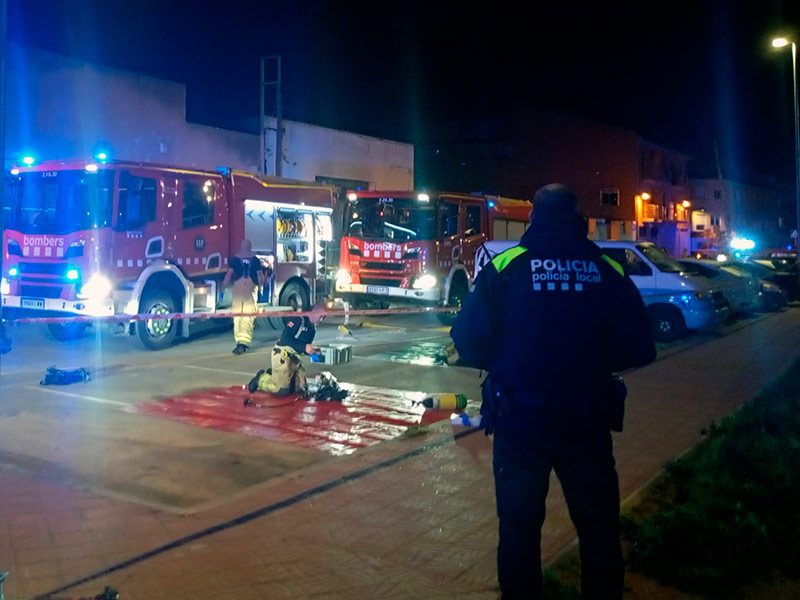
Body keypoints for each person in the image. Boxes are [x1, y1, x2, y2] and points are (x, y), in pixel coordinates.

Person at [451, 183, 657, 600]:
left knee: (519, 532)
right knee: (599, 531)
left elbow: (467, 341)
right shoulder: (606, 269)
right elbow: (641, 347)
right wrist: (590, 363)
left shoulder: (507, 265)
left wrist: (511, 359)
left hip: (520, 424)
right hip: (587, 423)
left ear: (533, 218)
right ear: (579, 219)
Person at [248, 302, 327, 396]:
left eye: (324, 317)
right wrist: (304, 347)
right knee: (282, 390)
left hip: (294, 359)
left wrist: (312, 351)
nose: (321, 320)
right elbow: (285, 338)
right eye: (321, 316)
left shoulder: (312, 329)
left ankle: (277, 375)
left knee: (301, 389)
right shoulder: (299, 320)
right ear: (314, 311)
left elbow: (303, 348)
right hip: (282, 354)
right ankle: (261, 379)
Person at [222, 239, 265, 355]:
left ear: (241, 247)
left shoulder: (235, 260)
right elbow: (260, 276)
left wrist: (223, 289)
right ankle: (244, 343)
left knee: (237, 316)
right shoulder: (255, 260)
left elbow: (229, 275)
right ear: (250, 247)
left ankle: (239, 342)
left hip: (238, 290)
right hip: (251, 289)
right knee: (248, 316)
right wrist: (261, 289)